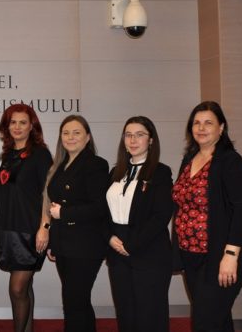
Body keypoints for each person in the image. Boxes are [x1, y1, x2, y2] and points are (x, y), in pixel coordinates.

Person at [172, 101, 242, 332]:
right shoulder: (188, 161)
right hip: (191, 255)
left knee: (205, 322)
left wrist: (230, 255)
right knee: (217, 321)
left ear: (221, 127)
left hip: (220, 257)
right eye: (196, 123)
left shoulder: (231, 162)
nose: (201, 128)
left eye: (208, 123)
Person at [105, 116, 173, 332]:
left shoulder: (161, 172)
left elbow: (161, 215)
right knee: (126, 313)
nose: (133, 140)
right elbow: (103, 212)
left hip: (149, 251)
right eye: (128, 135)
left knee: (149, 315)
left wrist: (131, 244)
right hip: (116, 251)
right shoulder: (115, 172)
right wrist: (109, 237)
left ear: (151, 140)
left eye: (140, 134)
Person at [45, 115, 109, 332]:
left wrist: (64, 212)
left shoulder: (96, 165)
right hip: (64, 244)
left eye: (76, 132)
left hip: (86, 245)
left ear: (88, 137)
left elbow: (100, 207)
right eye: (66, 133)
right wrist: (54, 240)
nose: (70, 137)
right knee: (73, 301)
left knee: (76, 301)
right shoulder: (60, 165)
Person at [0, 104, 52, 332]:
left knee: (17, 289)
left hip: (29, 230)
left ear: (32, 126)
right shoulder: (8, 155)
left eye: (23, 122)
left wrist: (44, 227)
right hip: (7, 229)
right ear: (6, 127)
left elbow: (48, 193)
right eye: (13, 122)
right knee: (25, 288)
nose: (17, 127)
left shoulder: (40, 154)